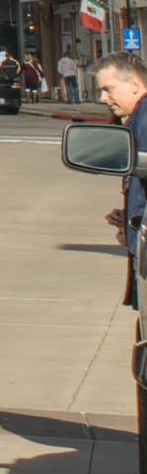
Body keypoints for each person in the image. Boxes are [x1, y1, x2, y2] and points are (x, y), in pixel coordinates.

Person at [91, 52, 147, 296]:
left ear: (134, 84)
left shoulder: (145, 120)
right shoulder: (137, 120)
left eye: (108, 89)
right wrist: (131, 217)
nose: (104, 98)